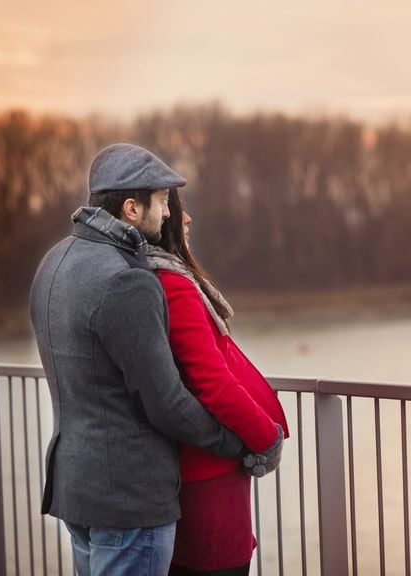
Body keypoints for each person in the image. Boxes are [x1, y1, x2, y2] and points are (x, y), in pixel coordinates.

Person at [29, 143, 283, 576]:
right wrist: (235, 443)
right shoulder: (128, 280)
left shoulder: (55, 263)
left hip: (77, 487)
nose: (169, 213)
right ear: (131, 207)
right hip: (128, 496)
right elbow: (166, 401)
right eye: (162, 201)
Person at [146, 188, 289, 576]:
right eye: (175, 209)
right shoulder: (173, 285)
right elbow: (211, 381)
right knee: (222, 564)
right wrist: (267, 438)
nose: (187, 219)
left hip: (196, 472)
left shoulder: (157, 280)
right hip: (207, 477)